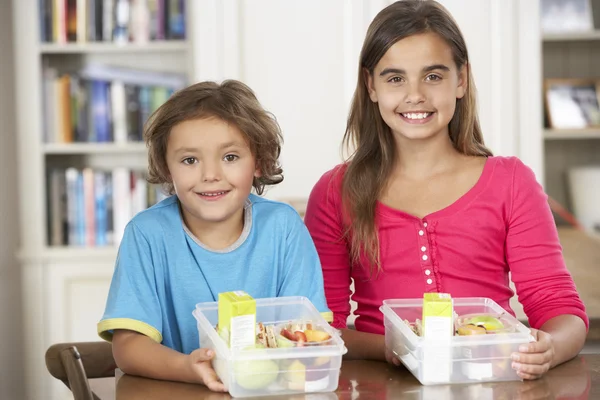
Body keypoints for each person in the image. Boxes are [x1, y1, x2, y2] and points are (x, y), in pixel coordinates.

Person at [304, 0, 588, 380]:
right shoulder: (334, 192)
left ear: (461, 80)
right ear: (371, 86)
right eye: (395, 78)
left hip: (493, 382)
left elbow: (559, 307)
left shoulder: (511, 182)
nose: (415, 94)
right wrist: (394, 347)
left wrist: (549, 347)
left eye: (433, 76)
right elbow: (324, 327)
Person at [98, 80, 332, 392]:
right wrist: (189, 368)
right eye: (190, 160)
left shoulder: (283, 227)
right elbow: (128, 347)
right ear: (167, 168)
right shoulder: (147, 234)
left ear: (259, 162)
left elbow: (308, 332)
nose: (211, 175)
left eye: (230, 157)